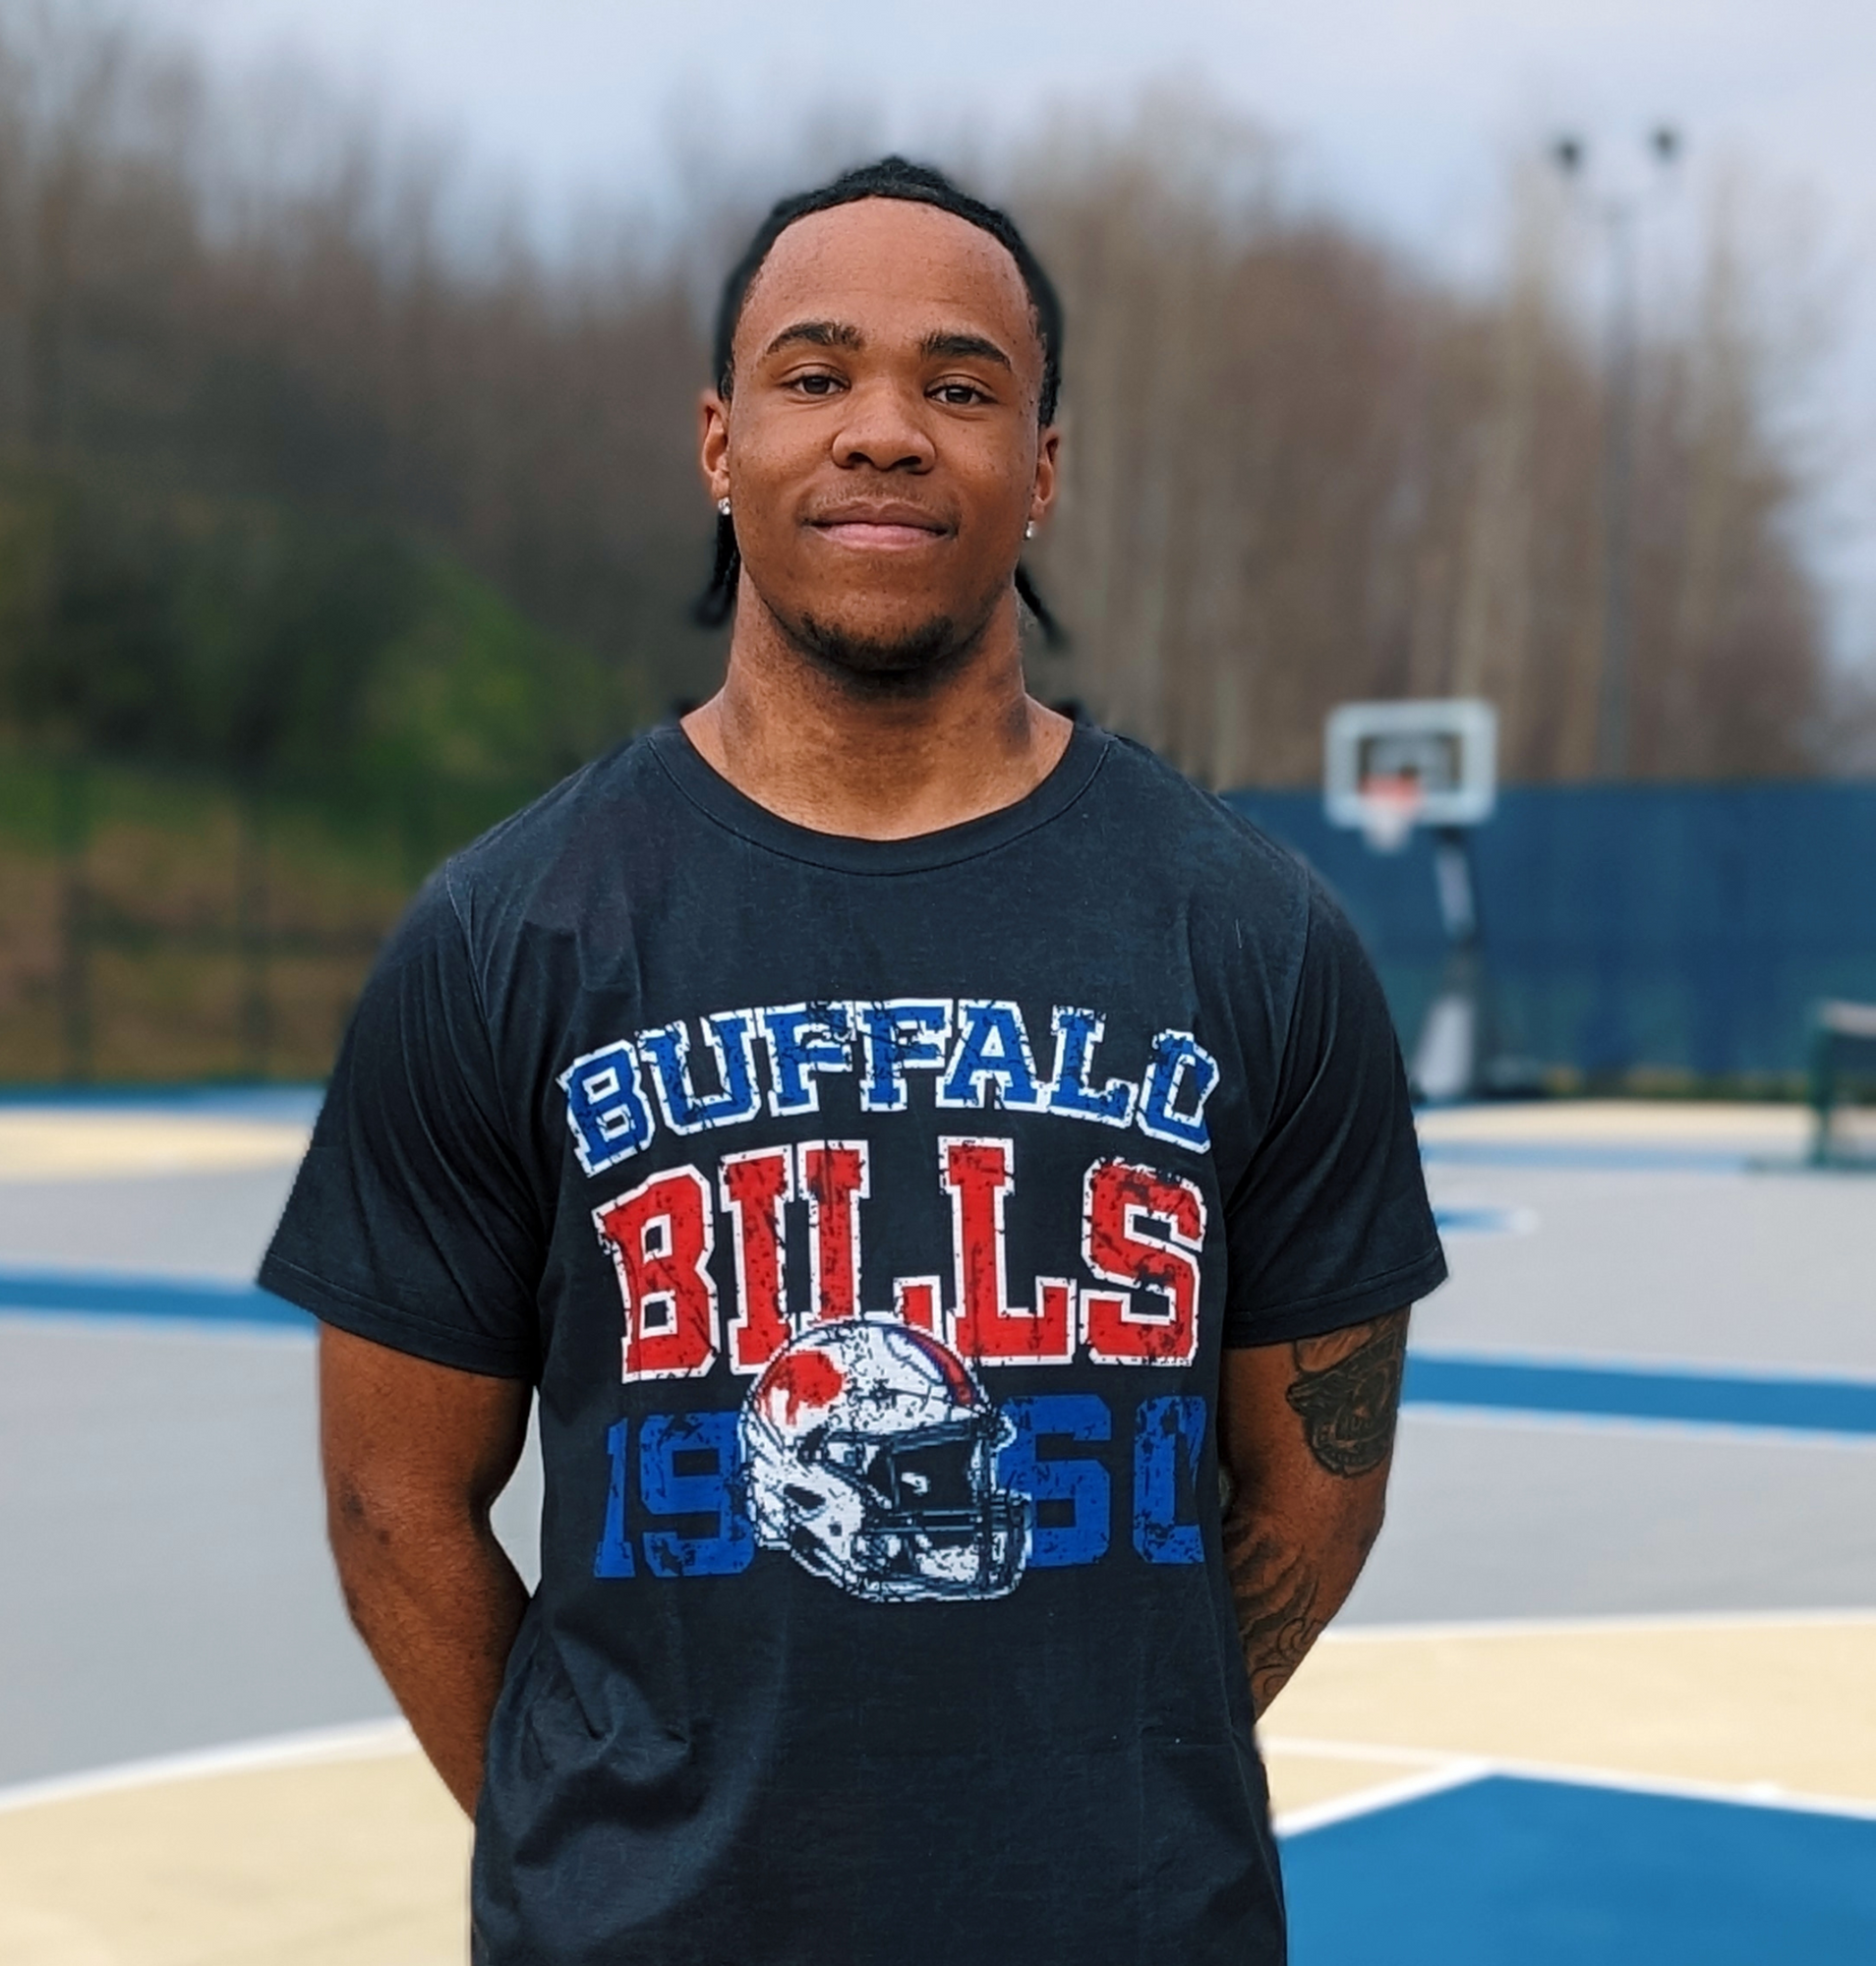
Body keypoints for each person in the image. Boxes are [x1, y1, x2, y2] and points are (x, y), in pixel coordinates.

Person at [261, 156, 1446, 1966]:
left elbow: (1319, 1485)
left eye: (961, 387)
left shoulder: (1253, 937)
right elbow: (391, 1500)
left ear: (1040, 468)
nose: (886, 431)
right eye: (818, 377)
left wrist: (1100, 1792)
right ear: (720, 446)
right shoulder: (510, 933)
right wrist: (602, 1855)